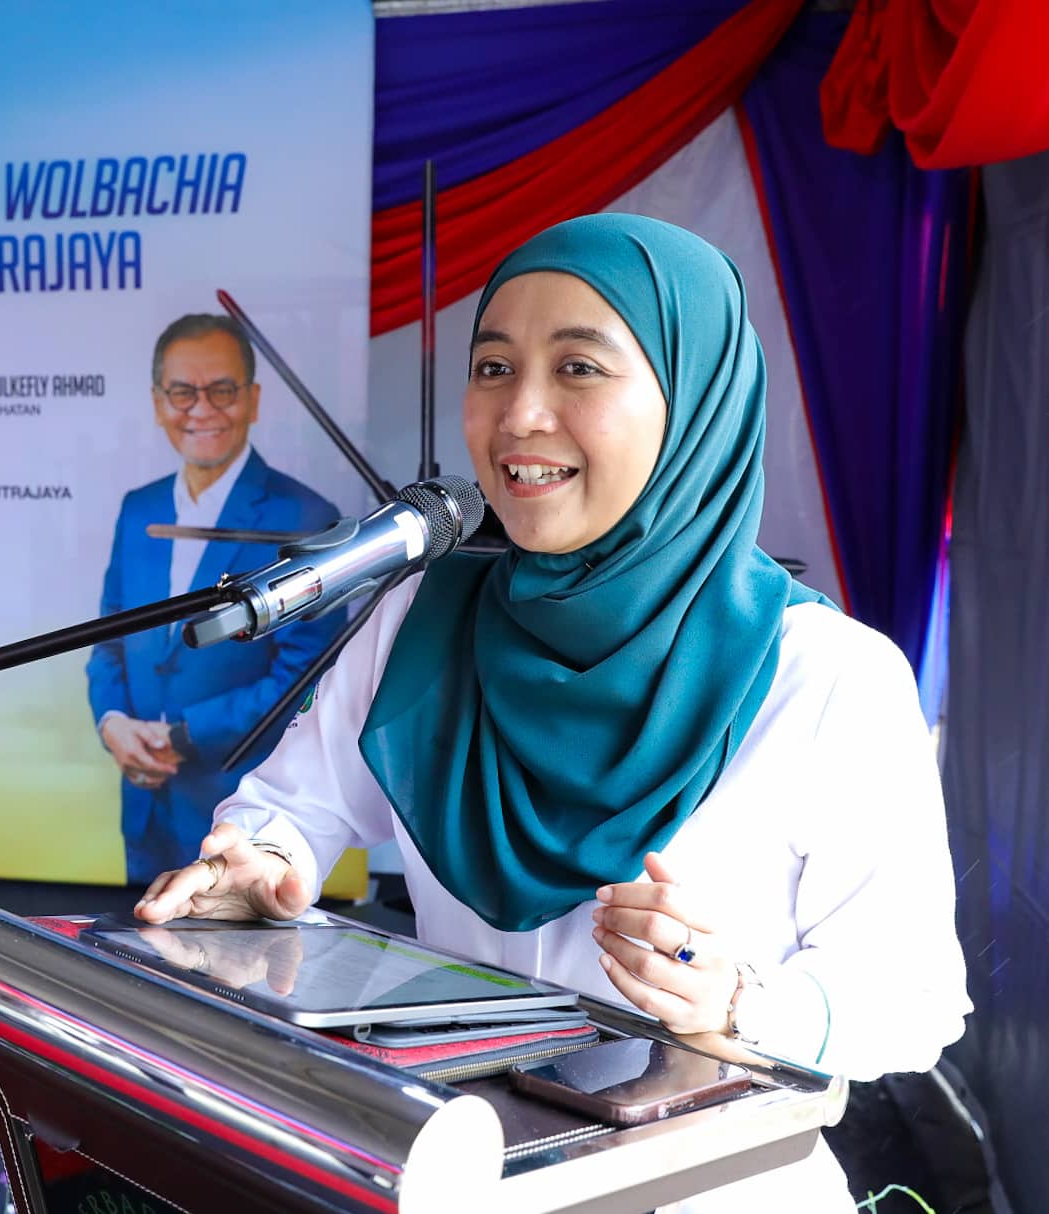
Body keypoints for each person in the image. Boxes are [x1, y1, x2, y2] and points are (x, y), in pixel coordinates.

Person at [132, 216, 970, 1212]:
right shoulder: (422, 621)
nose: (520, 413)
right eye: (493, 367)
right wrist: (262, 860)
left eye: (578, 367)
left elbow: (916, 1001)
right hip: (462, 1173)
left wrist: (741, 1002)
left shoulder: (826, 675)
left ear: (694, 400)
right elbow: (298, 805)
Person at [87, 313, 346, 884]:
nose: (201, 409)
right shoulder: (139, 509)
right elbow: (108, 640)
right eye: (182, 392)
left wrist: (182, 735)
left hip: (244, 816)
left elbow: (304, 678)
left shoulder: (305, 518)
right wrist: (113, 723)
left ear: (253, 400)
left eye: (222, 390)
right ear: (158, 403)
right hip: (146, 806)